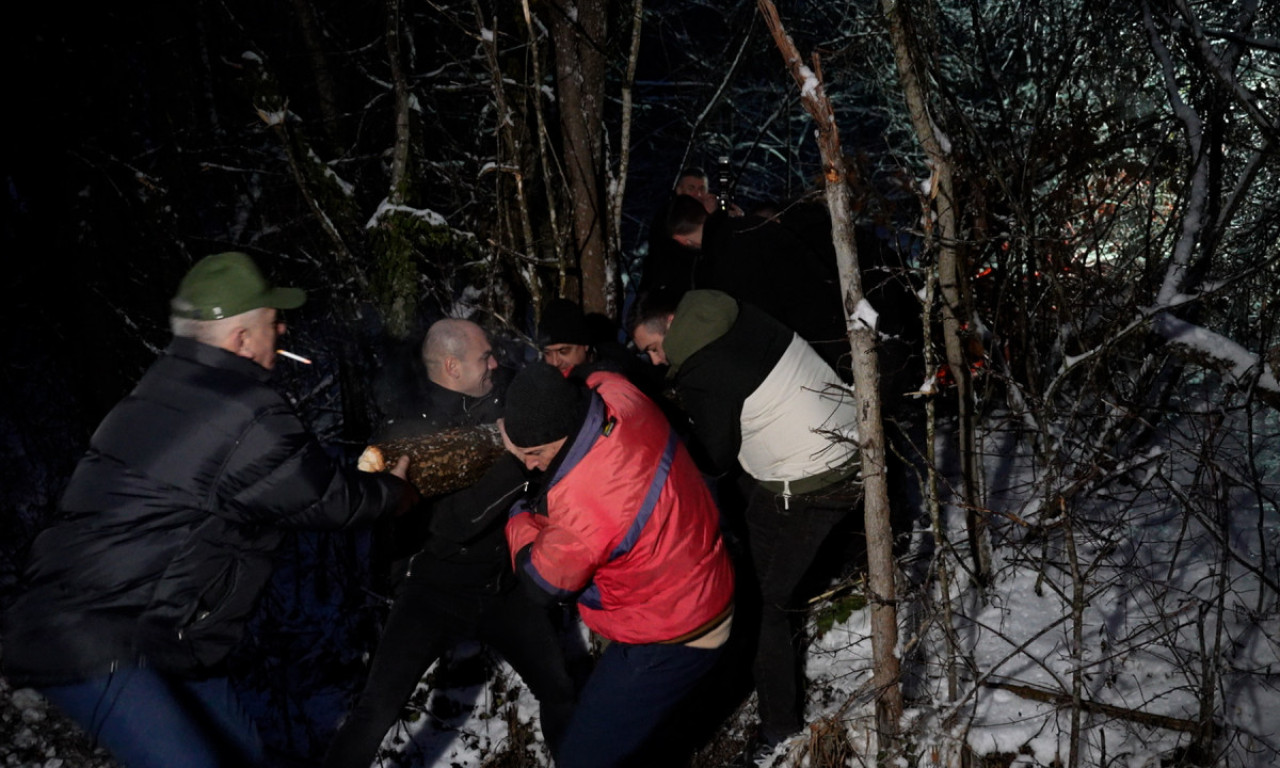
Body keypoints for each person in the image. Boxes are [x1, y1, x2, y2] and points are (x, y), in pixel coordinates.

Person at [1, 251, 416, 768]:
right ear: (240, 338)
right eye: (272, 321)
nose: (282, 328)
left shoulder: (164, 386)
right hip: (97, 638)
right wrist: (395, 491)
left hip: (163, 638)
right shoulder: (246, 413)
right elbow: (327, 498)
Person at [323, 319, 577, 768]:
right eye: (485, 358)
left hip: (503, 587)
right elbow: (453, 525)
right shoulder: (406, 435)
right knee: (375, 710)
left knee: (560, 690)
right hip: (433, 591)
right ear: (451, 365)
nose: (495, 364)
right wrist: (515, 464)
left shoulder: (503, 399)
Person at [628, 289, 863, 758]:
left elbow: (713, 458)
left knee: (765, 609)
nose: (655, 361)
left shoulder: (701, 370)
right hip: (851, 443)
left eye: (653, 348)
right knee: (750, 525)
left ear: (671, 323)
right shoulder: (733, 310)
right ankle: (746, 661)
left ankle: (779, 729)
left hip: (815, 484)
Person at [499, 363, 735, 768]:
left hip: (675, 633)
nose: (532, 466)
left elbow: (541, 583)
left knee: (581, 758)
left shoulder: (586, 500)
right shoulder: (617, 396)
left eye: (534, 454)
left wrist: (518, 517)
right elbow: (591, 372)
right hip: (702, 580)